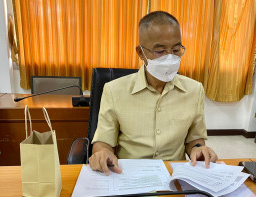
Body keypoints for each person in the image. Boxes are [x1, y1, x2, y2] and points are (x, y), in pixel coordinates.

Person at [89, 11, 217, 175]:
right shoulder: (114, 90)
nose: (170, 58)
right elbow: (104, 141)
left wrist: (198, 150)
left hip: (173, 175)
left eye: (176, 49)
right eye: (160, 51)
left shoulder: (194, 90)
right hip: (128, 174)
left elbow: (195, 139)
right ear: (141, 52)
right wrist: (102, 153)